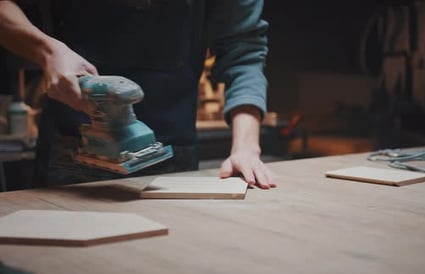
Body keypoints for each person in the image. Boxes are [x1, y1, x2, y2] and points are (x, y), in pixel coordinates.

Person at [0, 0, 276, 188]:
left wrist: (246, 148)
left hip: (172, 152)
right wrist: (46, 50)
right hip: (69, 152)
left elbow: (243, 51)